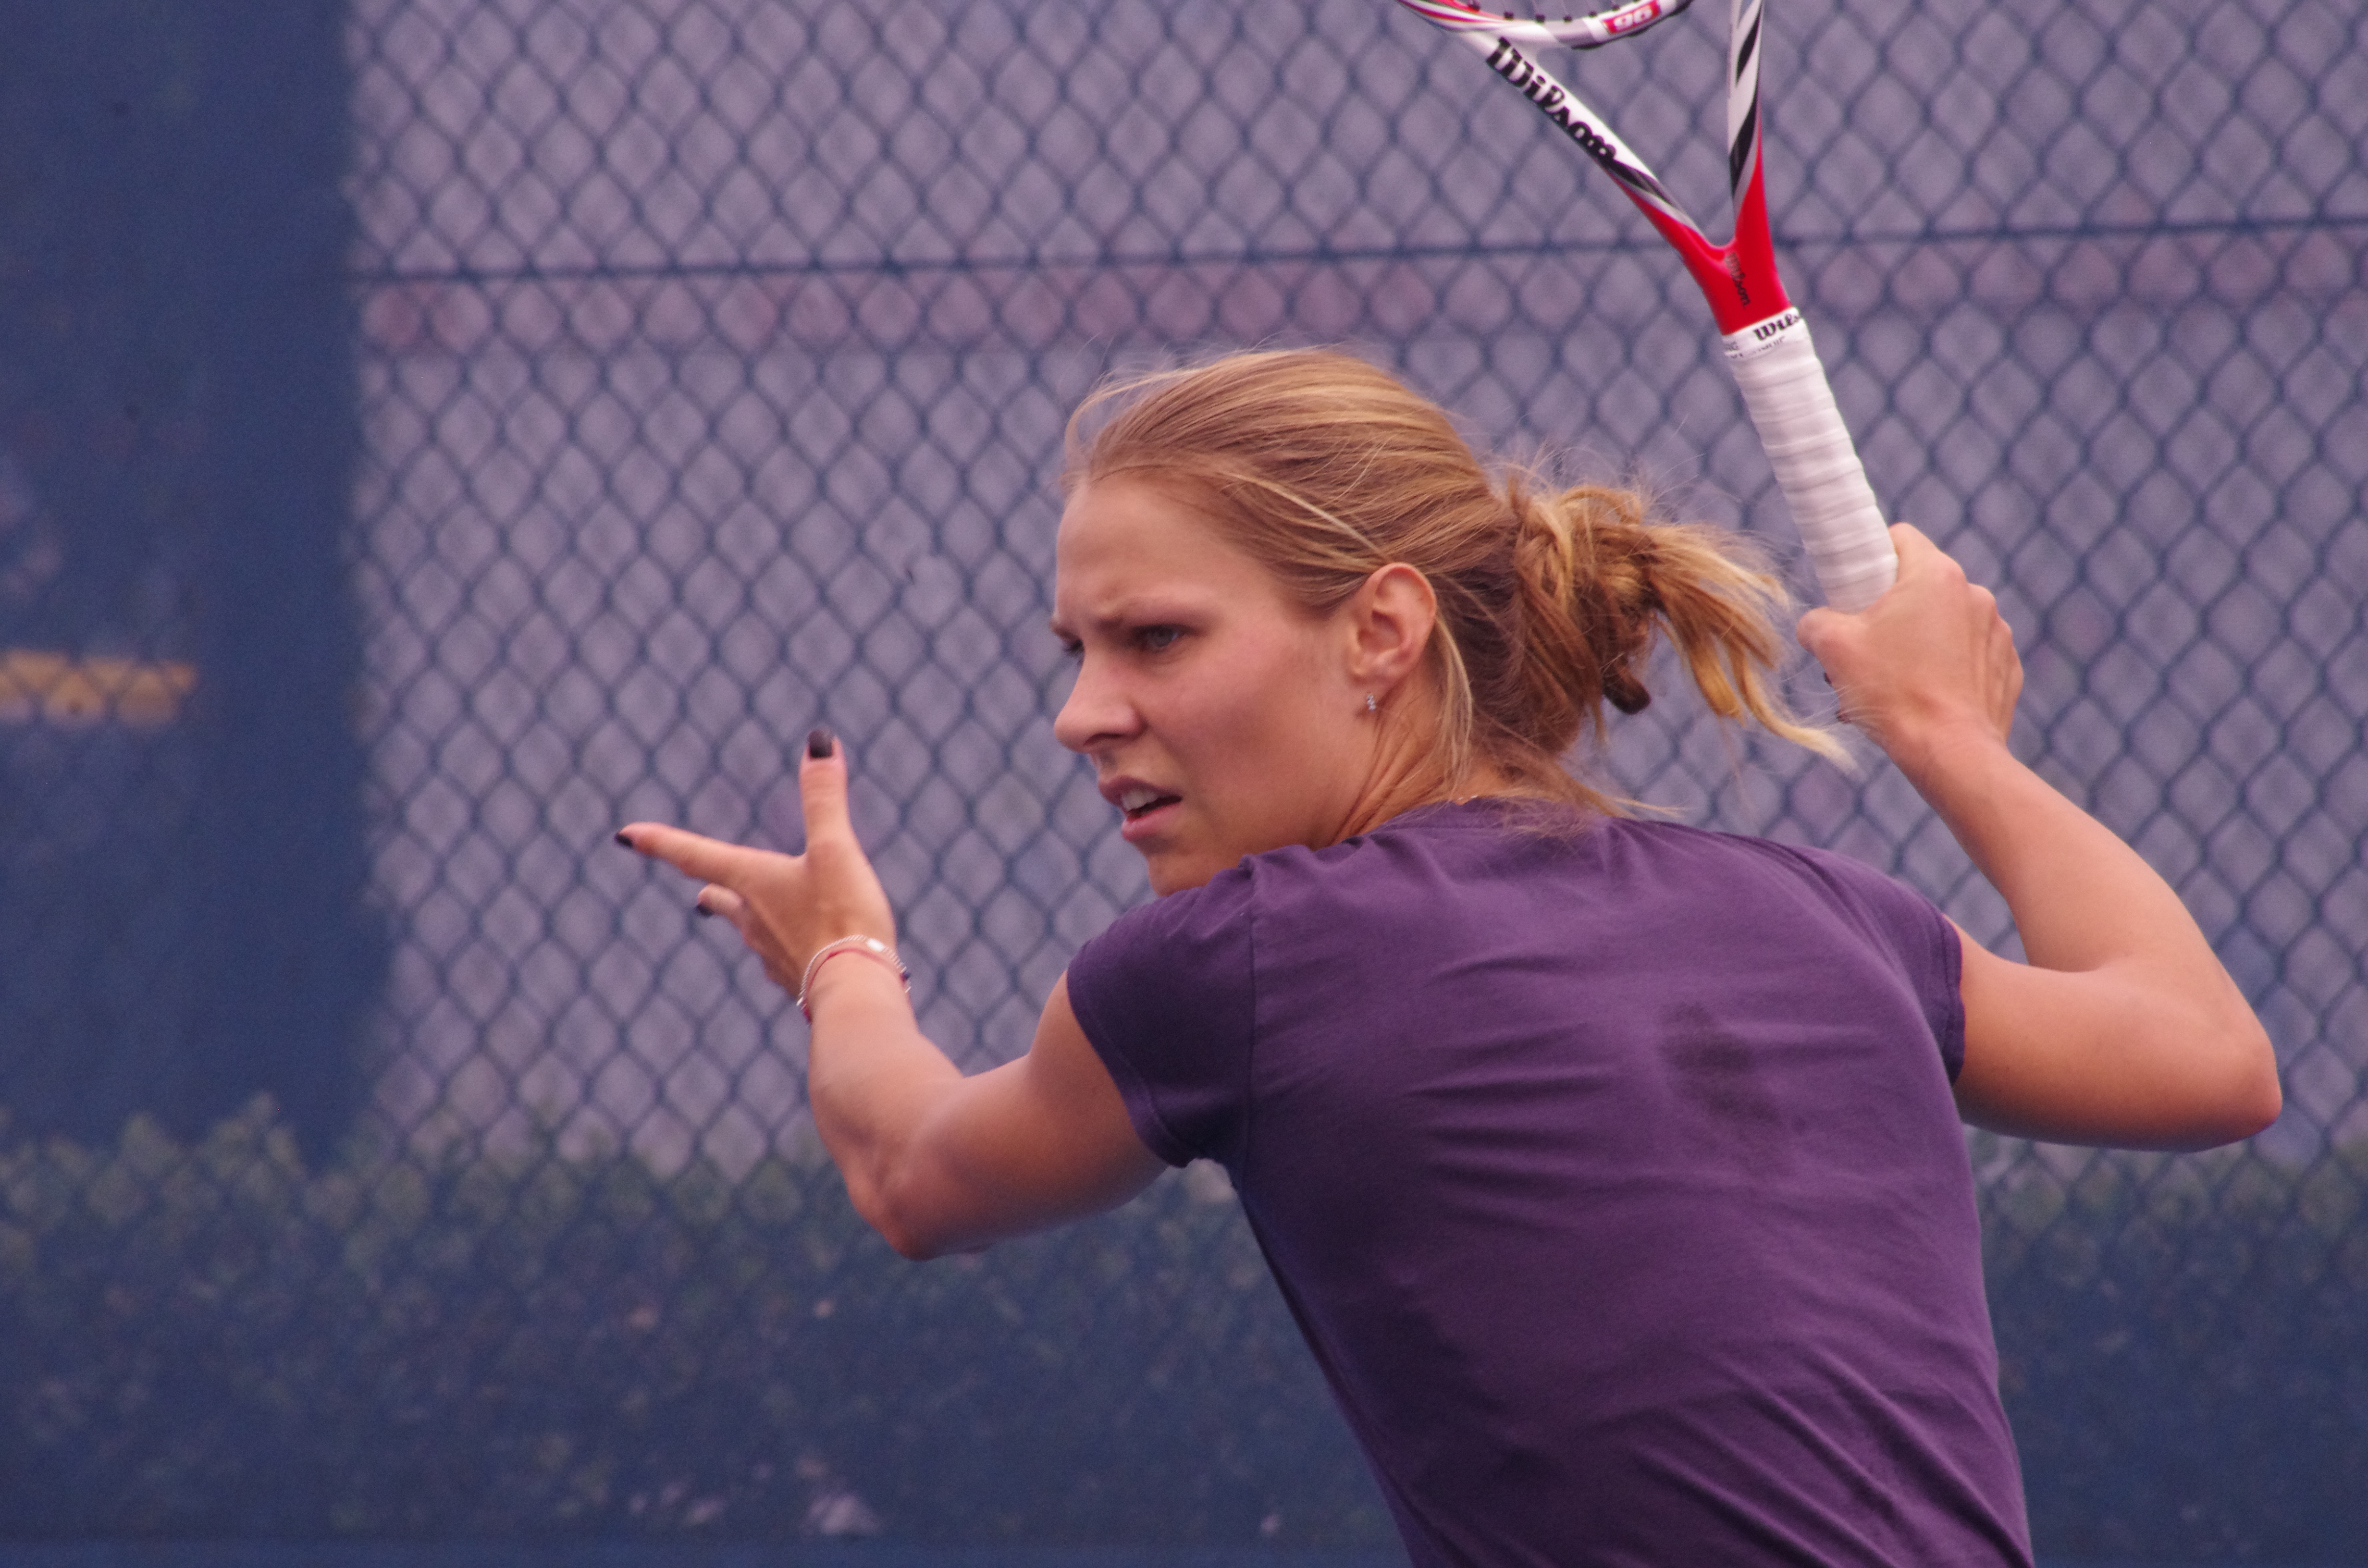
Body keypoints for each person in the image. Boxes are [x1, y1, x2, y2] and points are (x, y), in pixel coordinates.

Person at [617, 349, 2278, 1566]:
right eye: (1079, 650)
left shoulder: (1239, 964)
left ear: (1383, 633)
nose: (1083, 713)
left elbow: (914, 1172)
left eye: (1156, 639)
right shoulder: (1822, 909)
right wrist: (1949, 736)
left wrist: (843, 957)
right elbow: (2204, 1054)